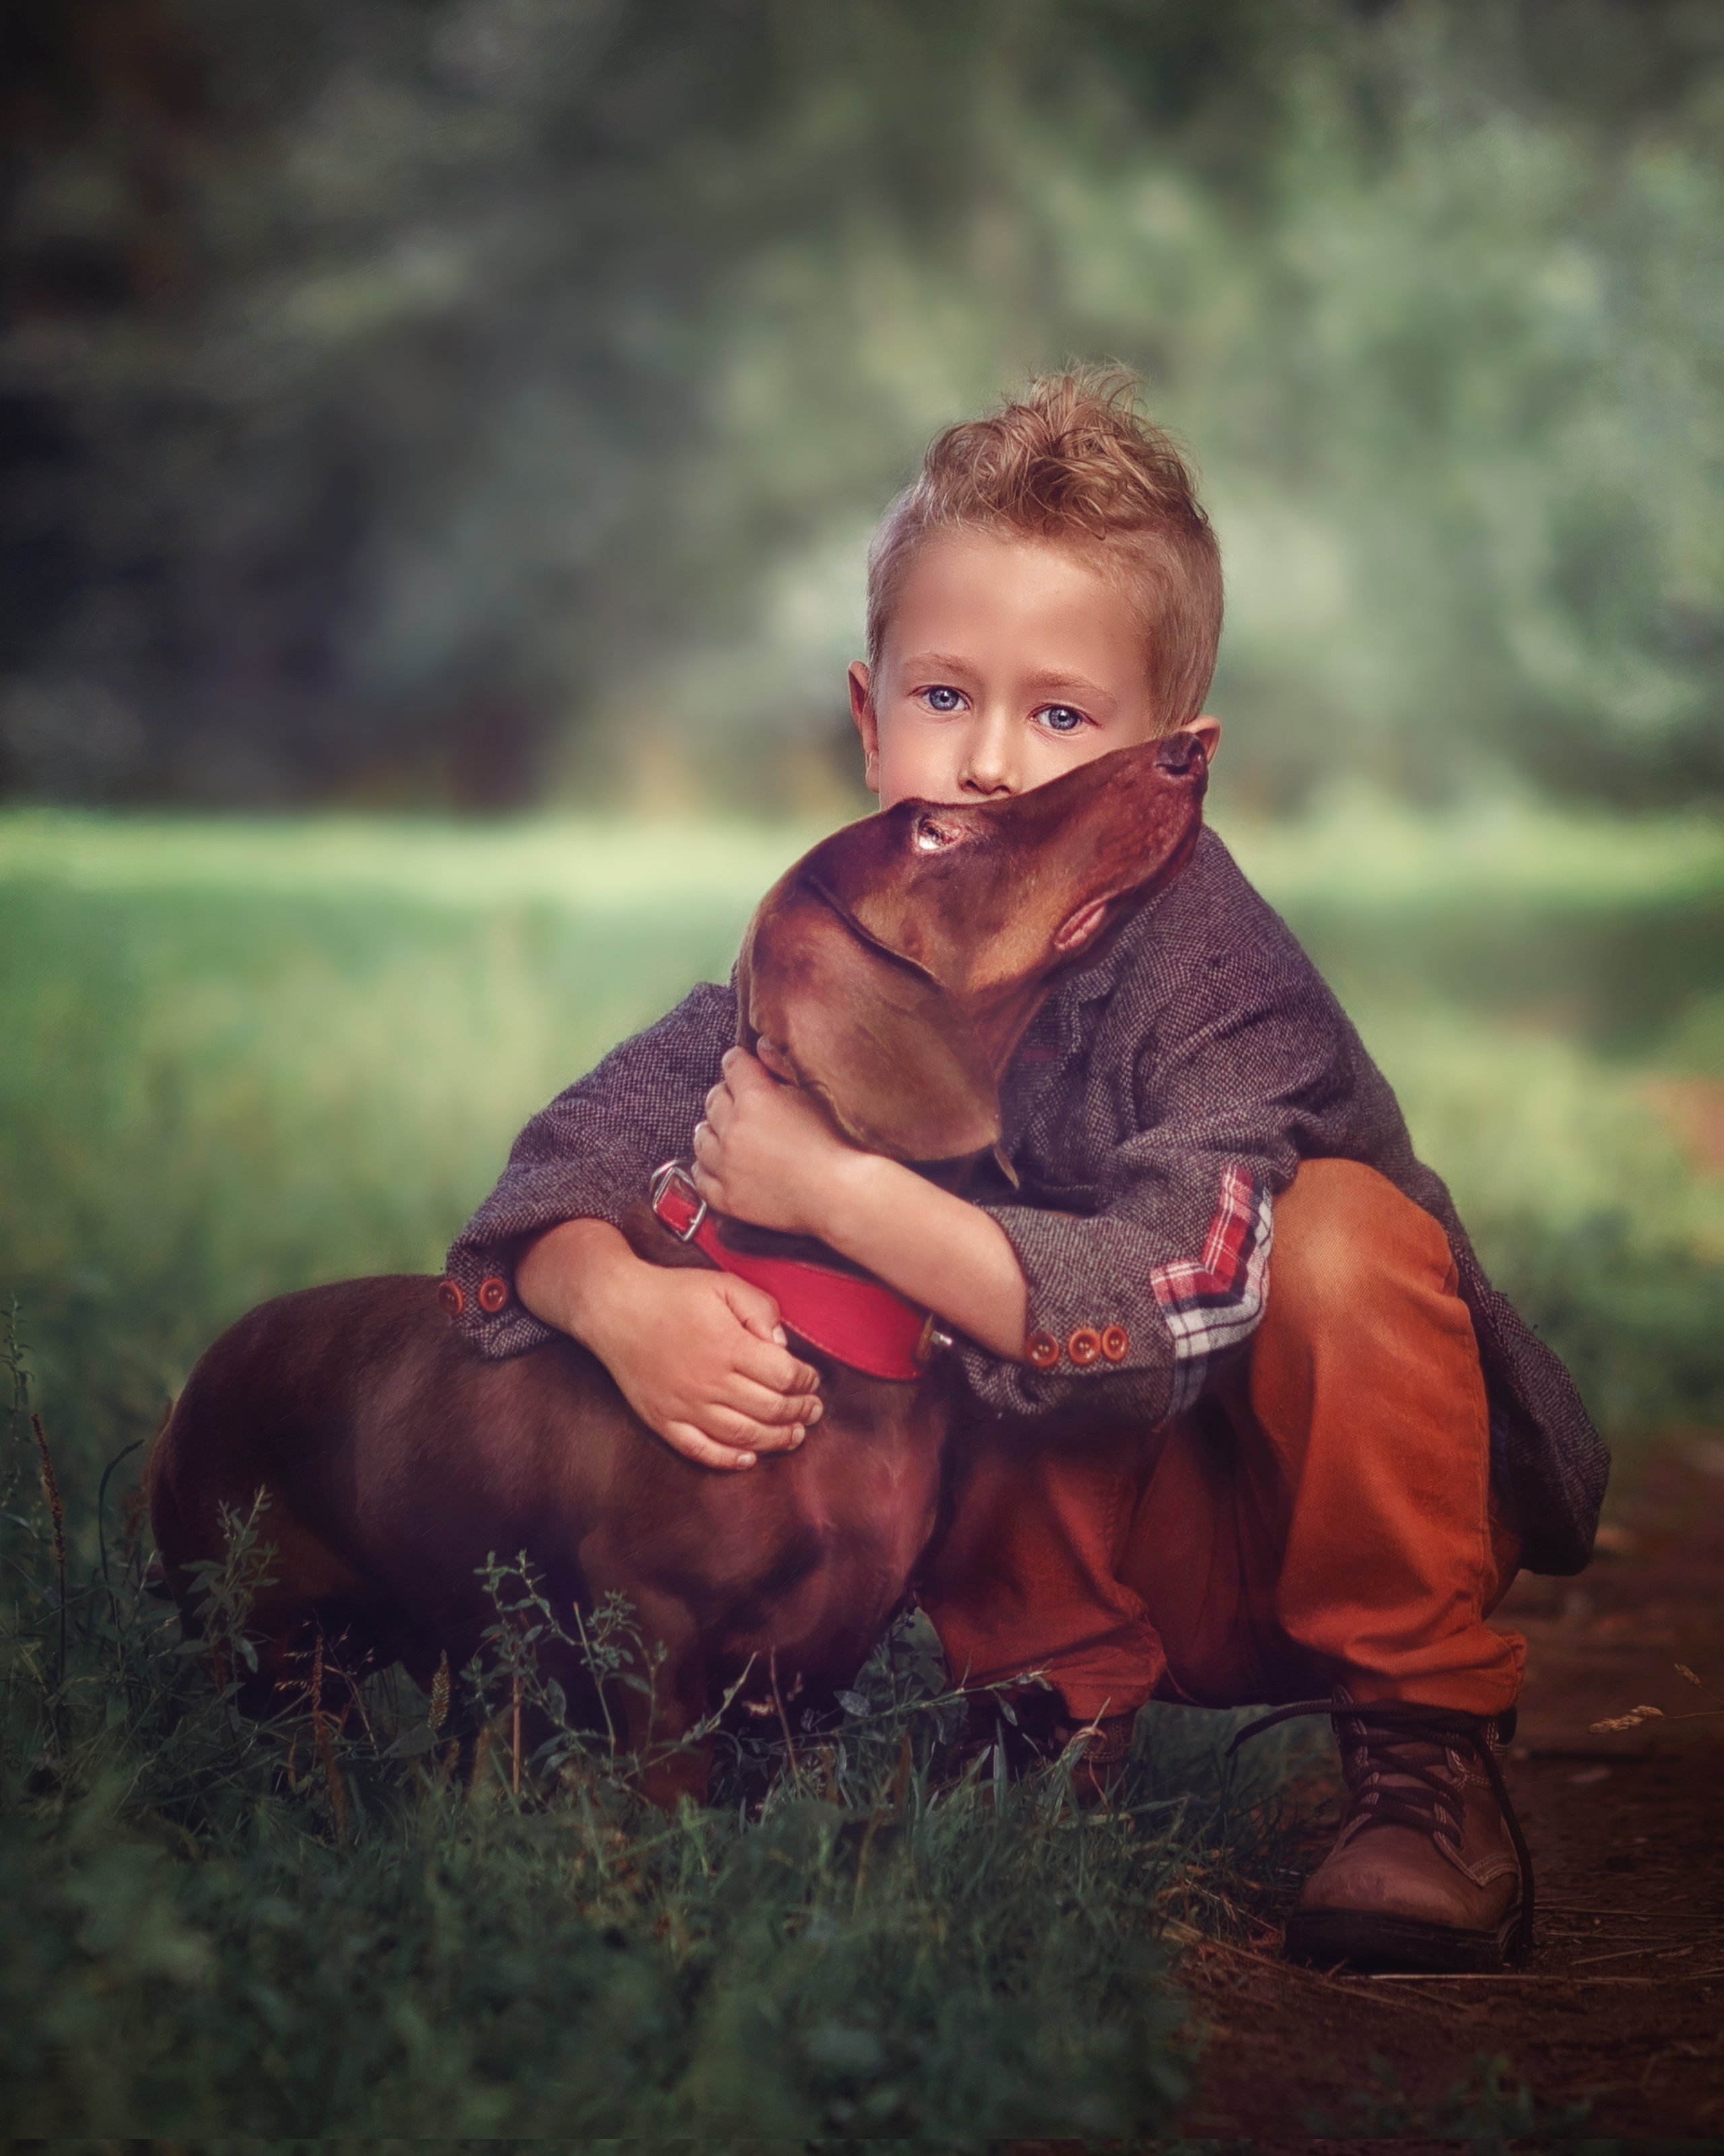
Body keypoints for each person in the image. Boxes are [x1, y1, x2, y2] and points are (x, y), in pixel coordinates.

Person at [442, 369, 1606, 1973]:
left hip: (1314, 1507)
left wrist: (838, 1191)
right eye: (944, 696)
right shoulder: (845, 936)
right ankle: (1042, 1718)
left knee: (1326, 1232)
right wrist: (613, 1298)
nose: (990, 761)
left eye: (1061, 714)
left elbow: (1171, 1294)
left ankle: (1419, 1754)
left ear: (1170, 763)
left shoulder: (1219, 979)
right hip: (1110, 1560)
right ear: (869, 720)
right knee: (926, 1267)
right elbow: (563, 1160)